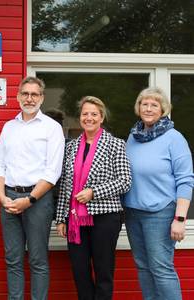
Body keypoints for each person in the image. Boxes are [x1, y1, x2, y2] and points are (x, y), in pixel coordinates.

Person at [0, 76, 65, 300]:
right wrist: (2, 197)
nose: (30, 98)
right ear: (18, 96)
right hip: (9, 199)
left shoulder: (52, 128)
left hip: (37, 200)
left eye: (35, 94)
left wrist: (30, 200)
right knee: (12, 259)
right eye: (25, 93)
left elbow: (53, 172)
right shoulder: (9, 127)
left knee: (37, 259)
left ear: (41, 98)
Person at [55, 96, 131, 300]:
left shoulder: (115, 144)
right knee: (80, 271)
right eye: (85, 114)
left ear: (102, 117)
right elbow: (65, 187)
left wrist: (94, 192)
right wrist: (61, 218)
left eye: (94, 114)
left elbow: (125, 181)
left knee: (103, 271)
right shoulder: (70, 147)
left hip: (105, 217)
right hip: (75, 219)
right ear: (80, 117)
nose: (89, 118)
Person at [123, 87, 194, 300]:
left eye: (154, 105)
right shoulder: (133, 137)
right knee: (143, 267)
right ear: (138, 108)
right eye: (144, 104)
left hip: (160, 213)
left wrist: (180, 218)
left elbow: (185, 180)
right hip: (133, 212)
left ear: (163, 109)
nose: (149, 108)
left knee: (161, 268)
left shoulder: (174, 138)